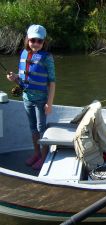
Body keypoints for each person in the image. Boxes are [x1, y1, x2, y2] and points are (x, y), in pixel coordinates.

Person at [6, 24, 56, 170]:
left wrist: (50, 103)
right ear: (27, 39)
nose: (35, 44)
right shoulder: (23, 54)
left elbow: (52, 82)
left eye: (39, 41)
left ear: (43, 42)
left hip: (41, 100)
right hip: (27, 98)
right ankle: (37, 153)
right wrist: (14, 78)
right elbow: (22, 79)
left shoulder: (47, 58)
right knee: (33, 128)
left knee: (42, 128)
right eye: (32, 40)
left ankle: (45, 156)